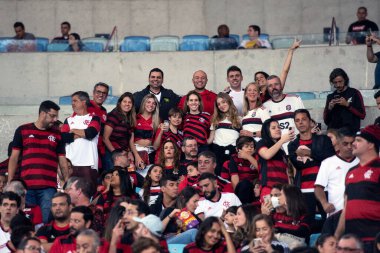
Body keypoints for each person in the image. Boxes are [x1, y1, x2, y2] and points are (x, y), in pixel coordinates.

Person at [8, 100, 69, 224]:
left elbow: (62, 161)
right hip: (26, 187)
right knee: (27, 221)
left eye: (56, 116)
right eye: (52, 116)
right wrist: (10, 181)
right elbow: (14, 158)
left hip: (48, 187)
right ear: (42, 114)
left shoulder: (58, 134)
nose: (55, 119)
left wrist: (67, 183)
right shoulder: (22, 130)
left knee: (46, 221)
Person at [335, 125, 380, 253]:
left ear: (371, 144)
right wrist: (337, 237)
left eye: (358, 140)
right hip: (353, 243)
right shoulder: (350, 172)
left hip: (375, 241)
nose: (353, 144)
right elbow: (346, 208)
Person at [288, 109, 335, 221]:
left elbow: (330, 160)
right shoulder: (292, 145)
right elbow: (299, 165)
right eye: (297, 120)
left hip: (324, 188)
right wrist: (319, 157)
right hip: (304, 190)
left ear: (310, 121)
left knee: (328, 222)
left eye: (304, 119)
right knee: (306, 224)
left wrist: (309, 153)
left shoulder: (324, 140)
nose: (300, 122)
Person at [314, 128, 358, 217]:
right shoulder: (328, 163)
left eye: (352, 143)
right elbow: (318, 188)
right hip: (336, 214)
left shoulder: (363, 161)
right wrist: (324, 203)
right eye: (345, 144)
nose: (349, 147)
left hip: (360, 215)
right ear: (338, 143)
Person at [61, 91, 101, 189]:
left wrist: (73, 131)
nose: (72, 103)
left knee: (89, 194)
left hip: (89, 163)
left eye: (75, 101)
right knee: (70, 194)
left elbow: (91, 133)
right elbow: (63, 137)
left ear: (84, 102)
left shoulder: (95, 118)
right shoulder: (68, 120)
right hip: (71, 164)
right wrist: (82, 133)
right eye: (72, 101)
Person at [263, 75, 305, 154]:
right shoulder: (265, 106)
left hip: (298, 146)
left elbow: (305, 122)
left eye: (276, 84)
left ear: (281, 85)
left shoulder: (295, 99)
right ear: (267, 89)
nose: (274, 87)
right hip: (278, 150)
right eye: (270, 86)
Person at [254, 39, 301, 103]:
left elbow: (285, 71)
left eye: (261, 77)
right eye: (256, 79)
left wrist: (291, 51)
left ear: (267, 79)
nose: (259, 79)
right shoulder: (256, 96)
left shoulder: (274, 89)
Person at [256, 119, 294, 198]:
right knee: (268, 210)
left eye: (279, 127)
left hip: (283, 190)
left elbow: (287, 172)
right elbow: (267, 155)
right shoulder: (262, 142)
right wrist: (282, 140)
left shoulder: (281, 149)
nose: (278, 129)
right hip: (268, 188)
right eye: (273, 128)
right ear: (267, 130)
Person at [323, 68, 366, 133]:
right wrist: (329, 108)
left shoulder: (354, 93)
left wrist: (347, 105)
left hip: (350, 134)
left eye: (340, 81)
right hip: (334, 135)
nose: (338, 85)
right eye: (335, 82)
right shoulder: (330, 97)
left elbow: (362, 115)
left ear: (345, 80)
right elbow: (326, 121)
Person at [103, 92, 136, 171]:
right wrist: (115, 154)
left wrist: (129, 152)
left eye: (129, 102)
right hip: (111, 154)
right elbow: (105, 138)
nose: (127, 104)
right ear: (120, 103)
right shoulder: (114, 115)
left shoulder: (129, 118)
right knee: (112, 177)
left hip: (123, 154)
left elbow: (128, 140)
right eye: (125, 101)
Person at [221, 136, 259, 204]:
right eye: (246, 146)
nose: (250, 148)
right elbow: (234, 177)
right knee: (245, 184)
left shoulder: (256, 157)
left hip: (254, 187)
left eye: (252, 146)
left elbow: (261, 169)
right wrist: (237, 195)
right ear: (238, 149)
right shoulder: (234, 158)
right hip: (241, 189)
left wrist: (248, 157)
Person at [208, 92, 241, 169]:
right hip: (217, 150)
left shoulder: (239, 119)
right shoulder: (215, 120)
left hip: (232, 150)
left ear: (229, 101)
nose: (221, 106)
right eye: (218, 104)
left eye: (223, 102)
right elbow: (210, 139)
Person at [131, 94, 160, 168]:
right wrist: (134, 155)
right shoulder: (135, 118)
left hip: (149, 153)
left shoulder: (157, 121)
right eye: (148, 102)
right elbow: (129, 140)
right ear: (144, 103)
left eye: (154, 103)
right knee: (133, 176)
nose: (151, 105)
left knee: (148, 177)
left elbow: (156, 146)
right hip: (135, 152)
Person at [88, 82, 109, 171]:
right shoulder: (86, 106)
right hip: (88, 151)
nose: (101, 95)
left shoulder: (104, 111)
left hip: (100, 151)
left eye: (104, 93)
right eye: (98, 92)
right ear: (93, 93)